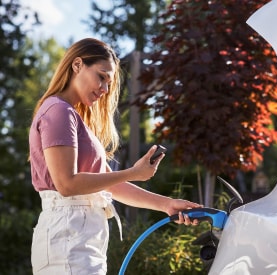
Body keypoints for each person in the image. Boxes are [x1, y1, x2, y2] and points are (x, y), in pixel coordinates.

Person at [28, 38, 201, 274]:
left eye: (109, 83)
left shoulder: (73, 117)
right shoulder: (58, 110)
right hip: (67, 240)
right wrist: (134, 173)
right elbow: (66, 184)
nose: (105, 89)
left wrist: (167, 205)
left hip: (79, 239)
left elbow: (112, 186)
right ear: (77, 65)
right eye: (101, 76)